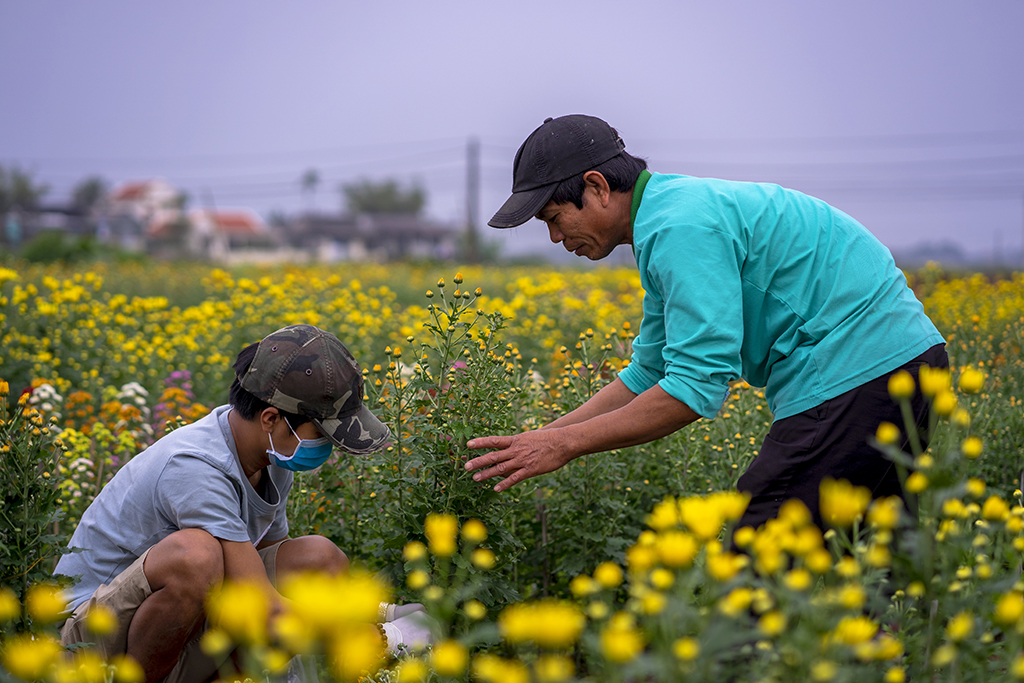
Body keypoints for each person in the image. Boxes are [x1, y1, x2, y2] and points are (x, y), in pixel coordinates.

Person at [465, 114, 947, 532]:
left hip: (857, 370)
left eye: (554, 217)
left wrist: (564, 445)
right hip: (903, 360)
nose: (554, 237)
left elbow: (694, 387)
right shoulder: (668, 215)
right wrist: (539, 441)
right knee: (875, 560)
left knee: (759, 547)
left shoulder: (680, 227)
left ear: (597, 188)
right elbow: (650, 372)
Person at [56, 324, 431, 683]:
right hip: (87, 639)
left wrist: (375, 611)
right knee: (195, 555)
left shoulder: (270, 455)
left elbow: (269, 566)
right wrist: (382, 637)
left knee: (317, 559)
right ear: (271, 418)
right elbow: (267, 609)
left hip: (169, 633)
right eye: (321, 433)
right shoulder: (194, 467)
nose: (327, 447)